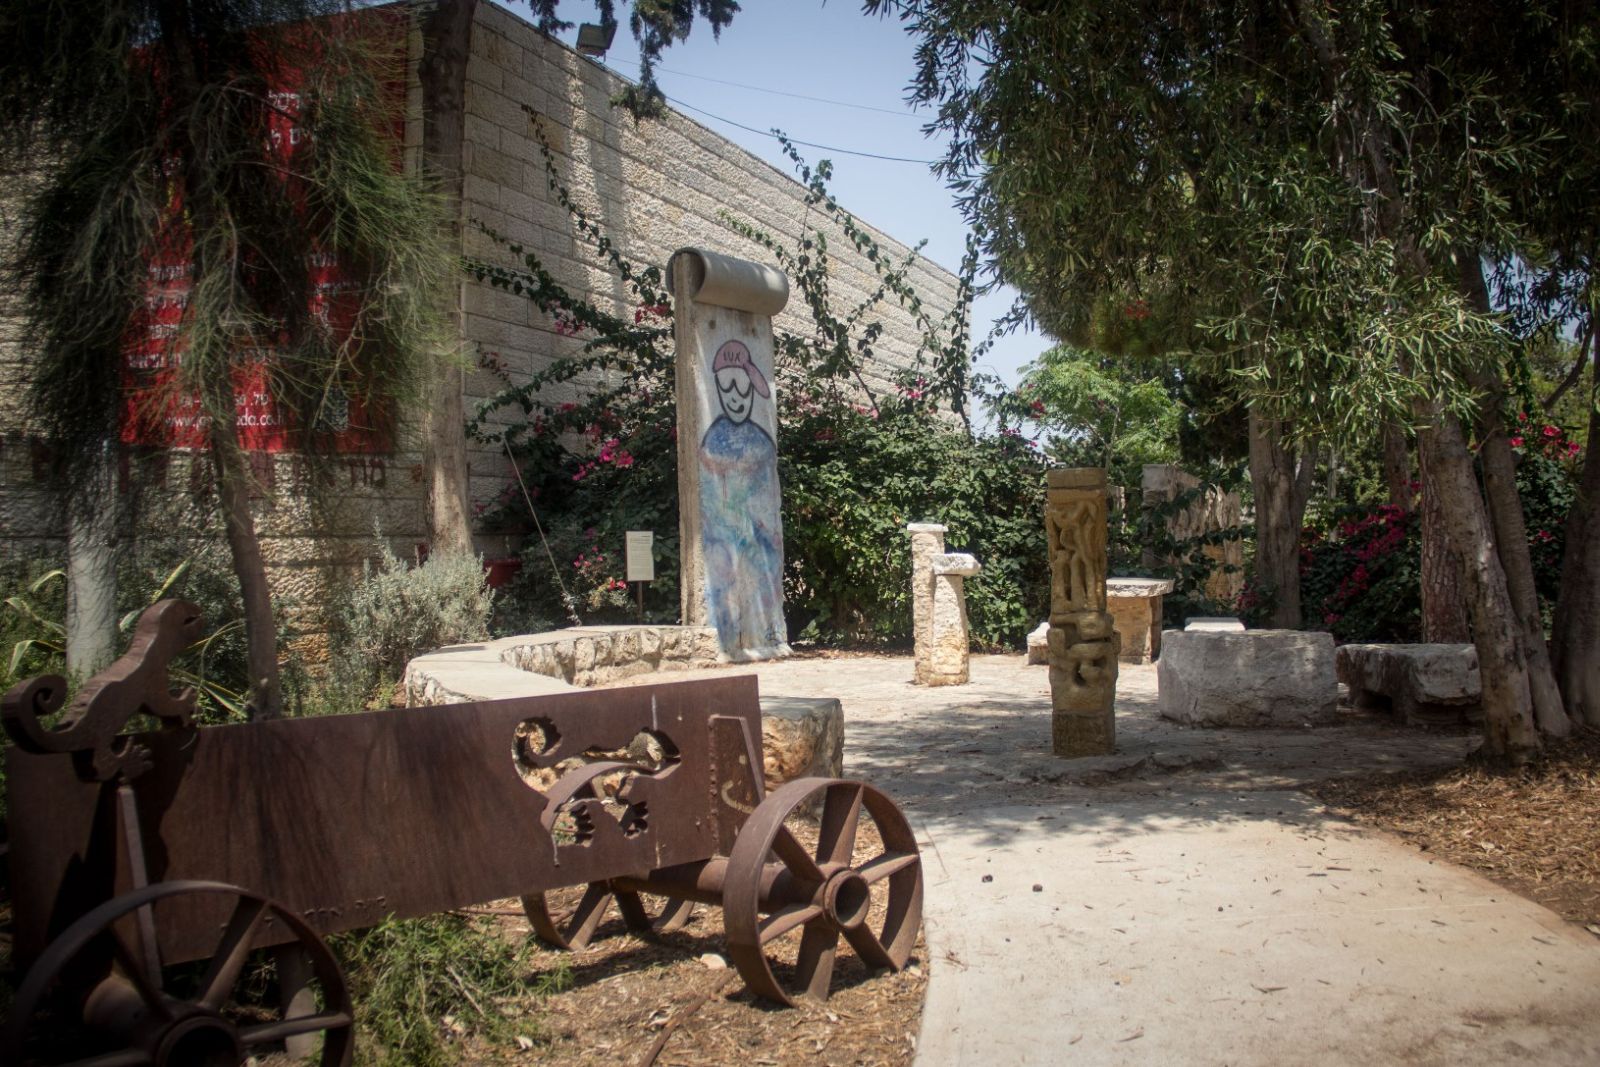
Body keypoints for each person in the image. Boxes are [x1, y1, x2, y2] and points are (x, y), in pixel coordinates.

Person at [697, 339, 787, 655]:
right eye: (728, 390)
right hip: (723, 529)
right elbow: (711, 487)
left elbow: (766, 487)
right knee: (725, 577)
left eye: (743, 390)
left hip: (757, 527)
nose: (736, 398)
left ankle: (768, 635)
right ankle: (727, 640)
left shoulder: (761, 440)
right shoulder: (713, 437)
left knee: (764, 570)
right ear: (719, 391)